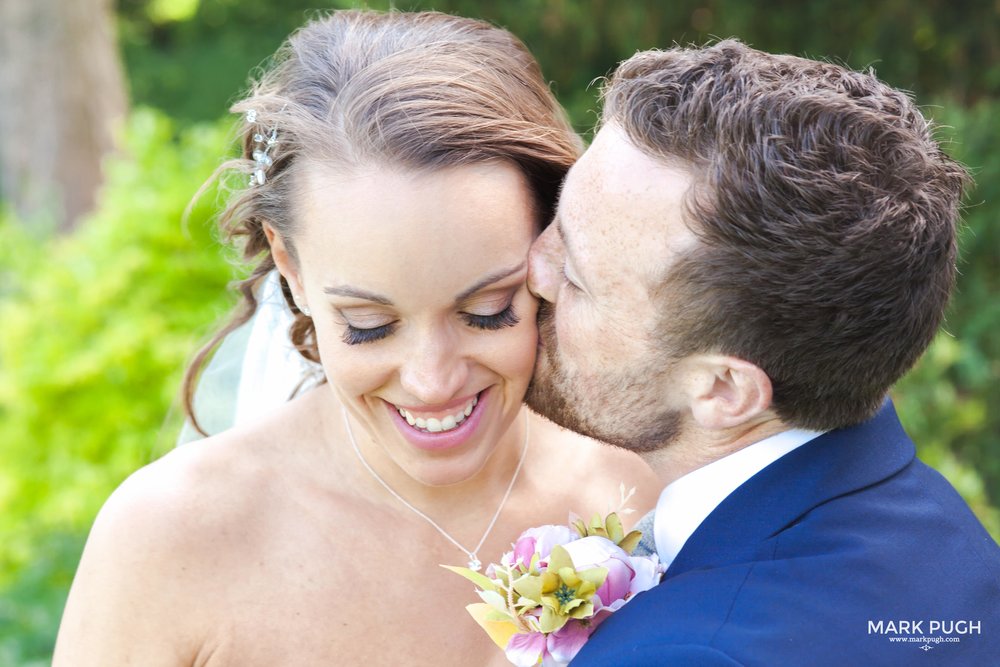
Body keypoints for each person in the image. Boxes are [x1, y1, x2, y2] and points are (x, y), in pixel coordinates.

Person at [52, 11, 657, 665]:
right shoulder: (169, 538)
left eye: (486, 310)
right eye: (369, 325)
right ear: (291, 267)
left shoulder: (645, 490)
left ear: (549, 247)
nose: (432, 379)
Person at [525, 40, 1000, 665]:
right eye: (557, 218)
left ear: (724, 389)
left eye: (577, 278)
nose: (534, 269)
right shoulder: (945, 538)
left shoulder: (684, 651)